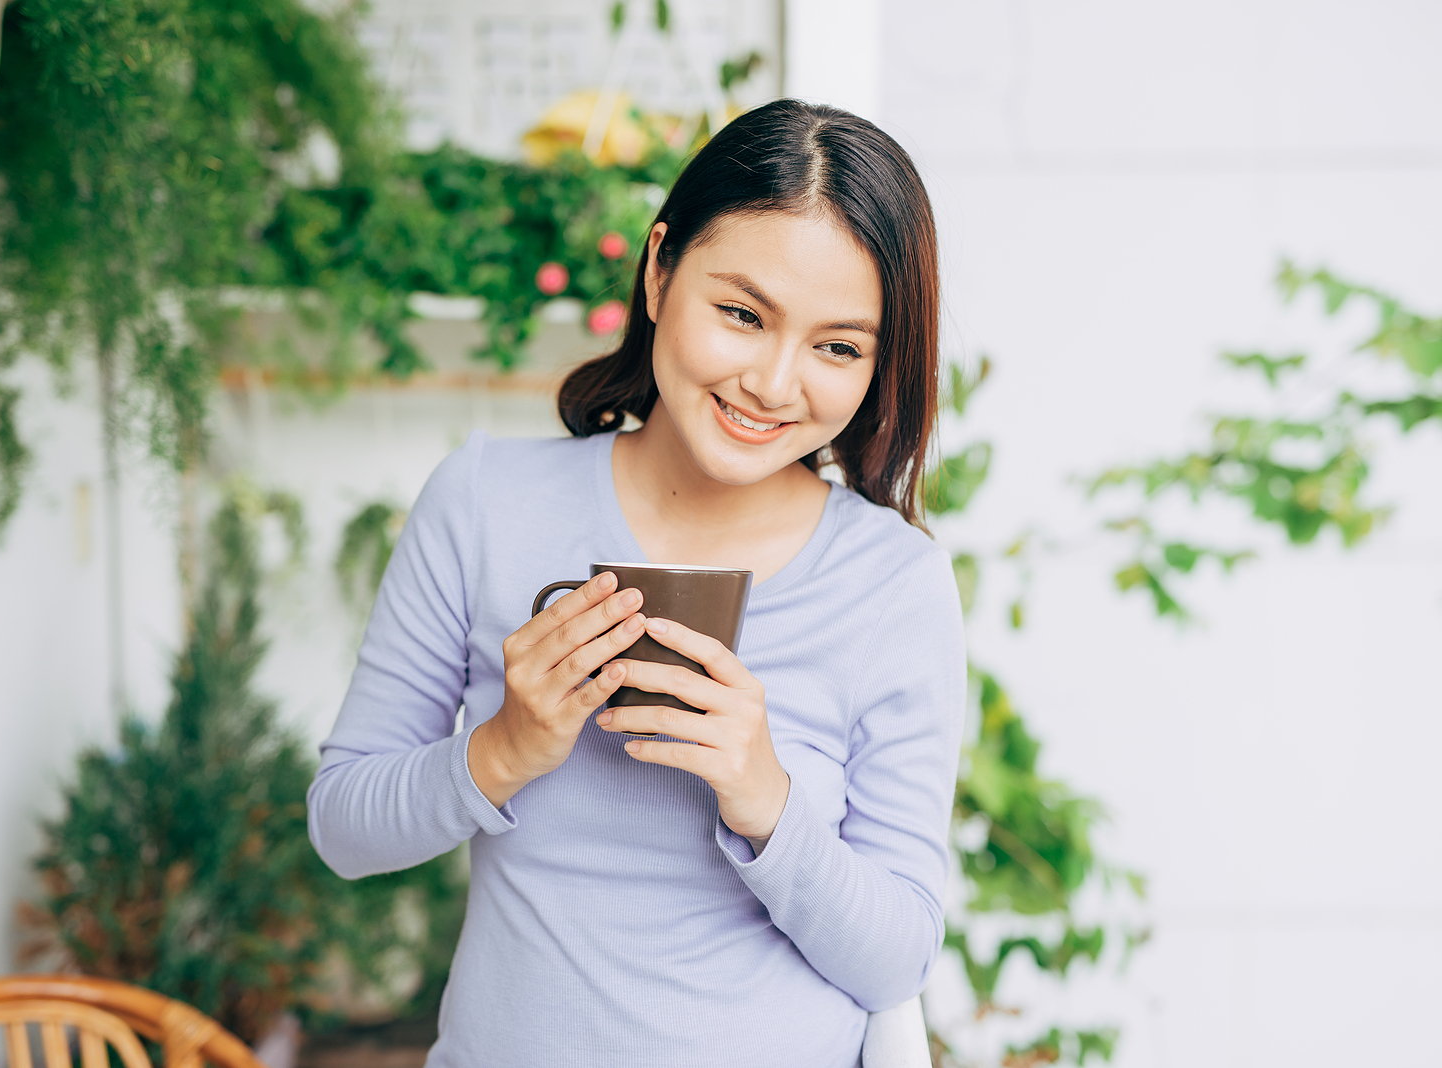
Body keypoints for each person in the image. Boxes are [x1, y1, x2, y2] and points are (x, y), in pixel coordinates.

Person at [308, 99, 965, 1068]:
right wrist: (502, 749)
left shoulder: (893, 586)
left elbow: (896, 955)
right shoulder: (486, 502)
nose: (775, 384)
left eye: (837, 347)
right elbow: (343, 826)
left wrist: (762, 796)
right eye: (741, 314)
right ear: (659, 270)